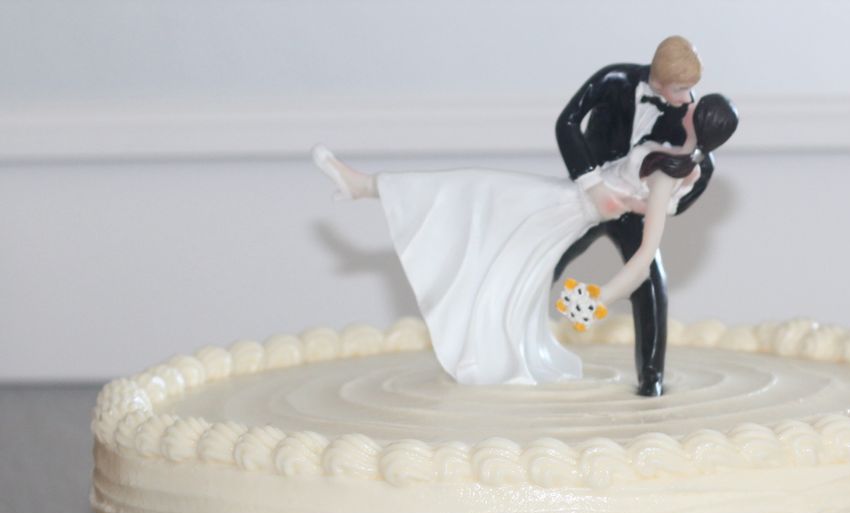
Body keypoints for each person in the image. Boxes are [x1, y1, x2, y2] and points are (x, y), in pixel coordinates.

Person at [312, 89, 737, 389]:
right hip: (569, 200)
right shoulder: (673, 151)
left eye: (694, 102)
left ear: (696, 119)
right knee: (485, 207)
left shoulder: (672, 173)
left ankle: (369, 187)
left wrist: (599, 299)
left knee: (479, 198)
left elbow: (644, 256)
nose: (687, 100)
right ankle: (366, 186)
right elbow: (635, 199)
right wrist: (618, 199)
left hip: (570, 211)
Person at [553, 37, 716, 396]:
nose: (688, 98)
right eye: (680, 88)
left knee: (651, 283)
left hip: (633, 209)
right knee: (547, 259)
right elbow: (566, 123)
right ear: (657, 79)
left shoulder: (685, 118)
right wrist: (595, 188)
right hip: (588, 197)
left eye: (693, 89)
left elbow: (693, 177)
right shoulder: (614, 81)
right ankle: (515, 337)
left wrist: (649, 205)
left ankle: (651, 379)